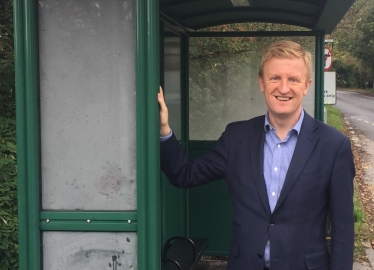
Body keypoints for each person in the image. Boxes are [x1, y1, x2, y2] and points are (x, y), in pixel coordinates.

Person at [158, 40, 355, 270]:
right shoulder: (236, 138)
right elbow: (184, 174)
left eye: (293, 79)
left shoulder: (334, 145)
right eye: (275, 78)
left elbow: (343, 231)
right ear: (261, 82)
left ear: (307, 85)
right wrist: (164, 130)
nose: (283, 88)